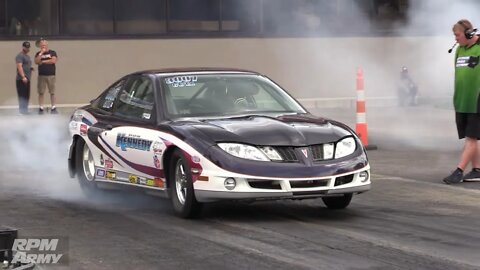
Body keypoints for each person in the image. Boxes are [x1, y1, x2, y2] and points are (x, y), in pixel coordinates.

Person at [443, 19, 480, 184]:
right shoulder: (459, 49)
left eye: (457, 35)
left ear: (468, 33)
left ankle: (459, 171)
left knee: (471, 138)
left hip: (476, 101)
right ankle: (477, 170)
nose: (455, 39)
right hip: (462, 100)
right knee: (472, 137)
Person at [34, 38, 58, 114]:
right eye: (42, 45)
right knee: (41, 92)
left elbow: (53, 61)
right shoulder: (38, 53)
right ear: (40, 46)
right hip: (41, 76)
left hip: (51, 75)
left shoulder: (52, 52)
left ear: (47, 45)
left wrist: (43, 61)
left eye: (44, 44)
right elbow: (37, 61)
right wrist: (41, 53)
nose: (43, 46)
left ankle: (53, 107)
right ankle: (41, 108)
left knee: (52, 92)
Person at [15, 41, 33, 115]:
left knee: (26, 95)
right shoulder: (20, 56)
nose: (27, 48)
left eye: (28, 47)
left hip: (27, 79)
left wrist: (30, 68)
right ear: (23, 47)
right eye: (26, 47)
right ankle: (22, 111)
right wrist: (23, 77)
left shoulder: (27, 56)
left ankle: (25, 110)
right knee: (22, 95)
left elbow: (26, 65)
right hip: (21, 79)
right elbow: (19, 66)